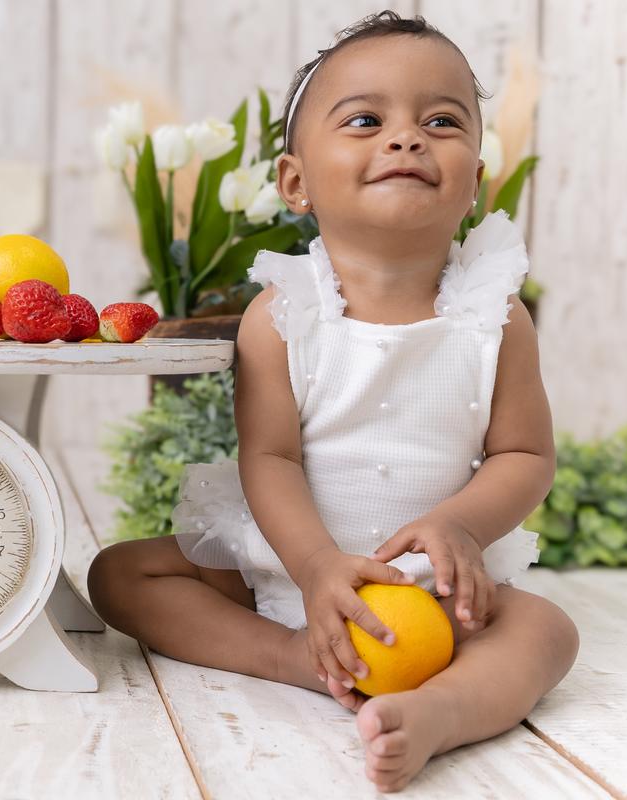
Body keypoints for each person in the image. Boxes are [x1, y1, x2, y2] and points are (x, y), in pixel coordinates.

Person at [88, 11, 578, 793]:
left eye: (442, 121)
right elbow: (270, 457)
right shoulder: (285, 316)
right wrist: (314, 568)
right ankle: (294, 657)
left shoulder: (495, 316)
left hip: (438, 592)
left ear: (476, 183)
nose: (407, 137)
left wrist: (460, 525)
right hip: (289, 571)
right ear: (296, 183)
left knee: (548, 632)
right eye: (365, 119)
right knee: (120, 575)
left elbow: (526, 454)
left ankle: (442, 710)